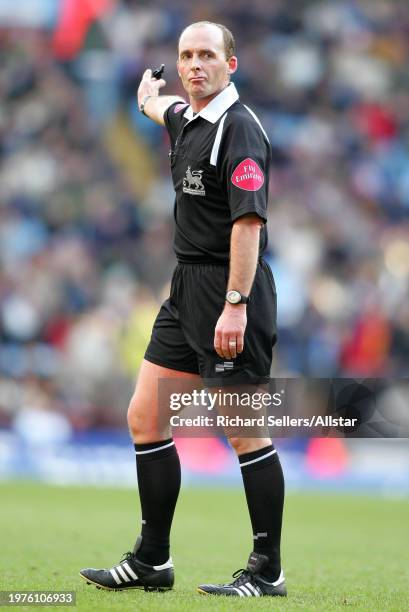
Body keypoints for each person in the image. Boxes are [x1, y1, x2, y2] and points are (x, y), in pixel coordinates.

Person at [80, 21, 286, 598]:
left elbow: (248, 224)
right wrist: (147, 96)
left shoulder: (239, 130)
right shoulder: (187, 120)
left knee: (244, 432)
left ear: (231, 65)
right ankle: (153, 560)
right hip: (184, 287)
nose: (195, 65)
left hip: (230, 290)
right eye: (186, 55)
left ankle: (268, 570)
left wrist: (236, 306)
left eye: (207, 55)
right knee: (145, 416)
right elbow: (163, 107)